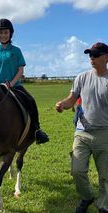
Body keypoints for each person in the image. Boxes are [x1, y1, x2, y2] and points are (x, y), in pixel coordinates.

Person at [56, 42, 108, 213]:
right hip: (82, 132)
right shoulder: (82, 77)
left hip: (104, 134)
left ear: (106, 57)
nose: (91, 58)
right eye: (90, 55)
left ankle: (103, 205)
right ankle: (87, 197)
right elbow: (71, 99)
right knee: (77, 170)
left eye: (95, 54)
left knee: (105, 176)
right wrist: (62, 104)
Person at [0, 18, 49, 144]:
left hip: (14, 86)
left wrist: (11, 84)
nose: (3, 35)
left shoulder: (16, 51)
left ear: (10, 34)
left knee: (31, 100)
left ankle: (37, 130)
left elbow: (21, 70)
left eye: (6, 32)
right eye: (0, 33)